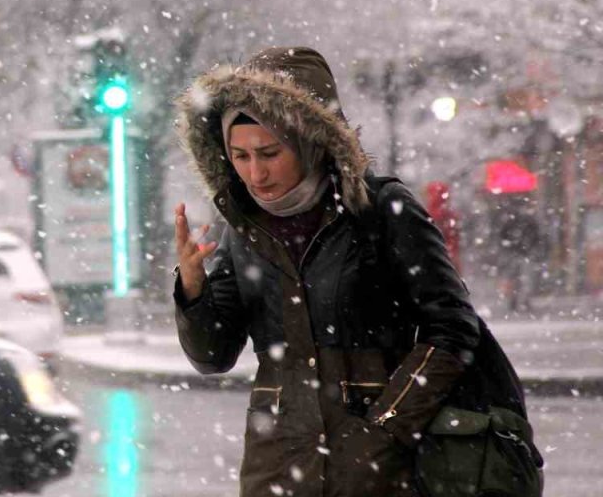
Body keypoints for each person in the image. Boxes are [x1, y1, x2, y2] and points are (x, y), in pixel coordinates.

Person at [172, 46, 481, 497]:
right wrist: (193, 290)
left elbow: (452, 330)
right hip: (276, 469)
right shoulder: (241, 227)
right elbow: (212, 357)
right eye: (239, 156)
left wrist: (386, 427)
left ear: (309, 139)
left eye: (269, 152)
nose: (255, 173)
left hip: (381, 468)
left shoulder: (380, 211)